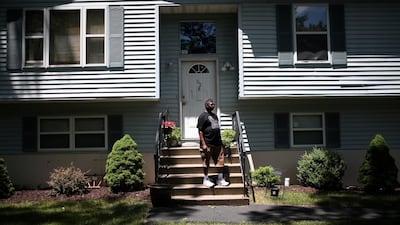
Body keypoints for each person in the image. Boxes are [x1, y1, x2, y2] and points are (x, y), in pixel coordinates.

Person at [197, 98, 229, 187]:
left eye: (213, 104)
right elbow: (200, 131)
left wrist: (221, 142)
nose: (213, 105)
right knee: (206, 162)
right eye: (211, 104)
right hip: (207, 143)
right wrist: (203, 143)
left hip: (218, 143)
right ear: (206, 105)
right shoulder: (202, 116)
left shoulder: (215, 116)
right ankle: (206, 179)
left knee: (220, 161)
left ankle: (220, 179)